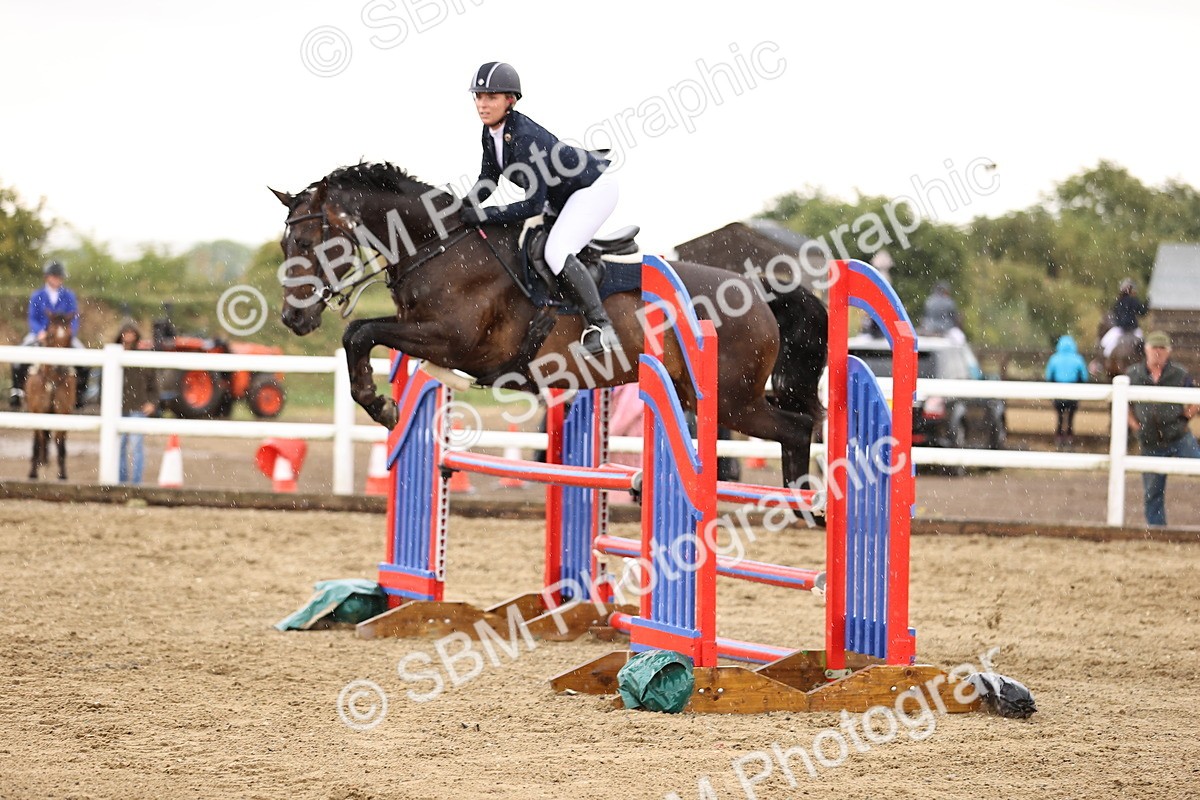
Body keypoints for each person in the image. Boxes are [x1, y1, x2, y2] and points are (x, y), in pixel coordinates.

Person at [460, 61, 619, 357]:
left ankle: (601, 328)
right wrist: (460, 208)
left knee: (555, 251)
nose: (482, 104)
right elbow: (488, 180)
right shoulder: (490, 133)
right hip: (563, 197)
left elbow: (532, 205)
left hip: (593, 190)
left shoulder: (525, 138)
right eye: (478, 96)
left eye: (491, 97)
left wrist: (482, 214)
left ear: (510, 100)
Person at [1125, 331, 1200, 527]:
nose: (1158, 352)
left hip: (1178, 435)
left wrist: (1184, 418)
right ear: (1146, 350)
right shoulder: (1133, 374)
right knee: (1153, 491)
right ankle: (1157, 530)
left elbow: (1195, 398)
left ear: (1168, 351)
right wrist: (1135, 426)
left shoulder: (1179, 373)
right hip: (1150, 440)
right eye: (1154, 348)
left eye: (1162, 348)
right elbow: (1124, 405)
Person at [10, 260, 87, 409]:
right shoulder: (37, 295)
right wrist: (40, 332)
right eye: (54, 276)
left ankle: (80, 394)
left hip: (63, 335)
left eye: (59, 276)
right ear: (47, 277)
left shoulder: (69, 295)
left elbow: (74, 318)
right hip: (40, 334)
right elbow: (32, 317)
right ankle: (17, 392)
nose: (57, 279)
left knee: (84, 360)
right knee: (18, 358)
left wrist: (70, 333)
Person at [115, 320, 159, 484]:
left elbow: (154, 384)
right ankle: (121, 481)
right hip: (118, 408)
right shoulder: (115, 356)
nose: (128, 336)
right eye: (126, 333)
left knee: (136, 447)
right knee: (119, 447)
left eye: (131, 333)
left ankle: (136, 482)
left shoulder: (143, 357)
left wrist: (152, 402)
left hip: (137, 408)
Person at [1044, 335, 1089, 451]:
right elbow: (1084, 377)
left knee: (1060, 415)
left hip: (1058, 391)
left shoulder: (1054, 359)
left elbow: (1048, 376)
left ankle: (1059, 436)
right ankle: (1069, 436)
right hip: (1073, 392)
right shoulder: (1078, 359)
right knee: (1071, 416)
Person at [1100, 278, 1148, 357]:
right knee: (1144, 343)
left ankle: (1104, 358)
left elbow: (1115, 314)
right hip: (1132, 329)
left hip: (1122, 328)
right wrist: (1146, 304)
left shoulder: (1119, 301)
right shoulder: (1133, 300)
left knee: (1105, 343)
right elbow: (1142, 312)